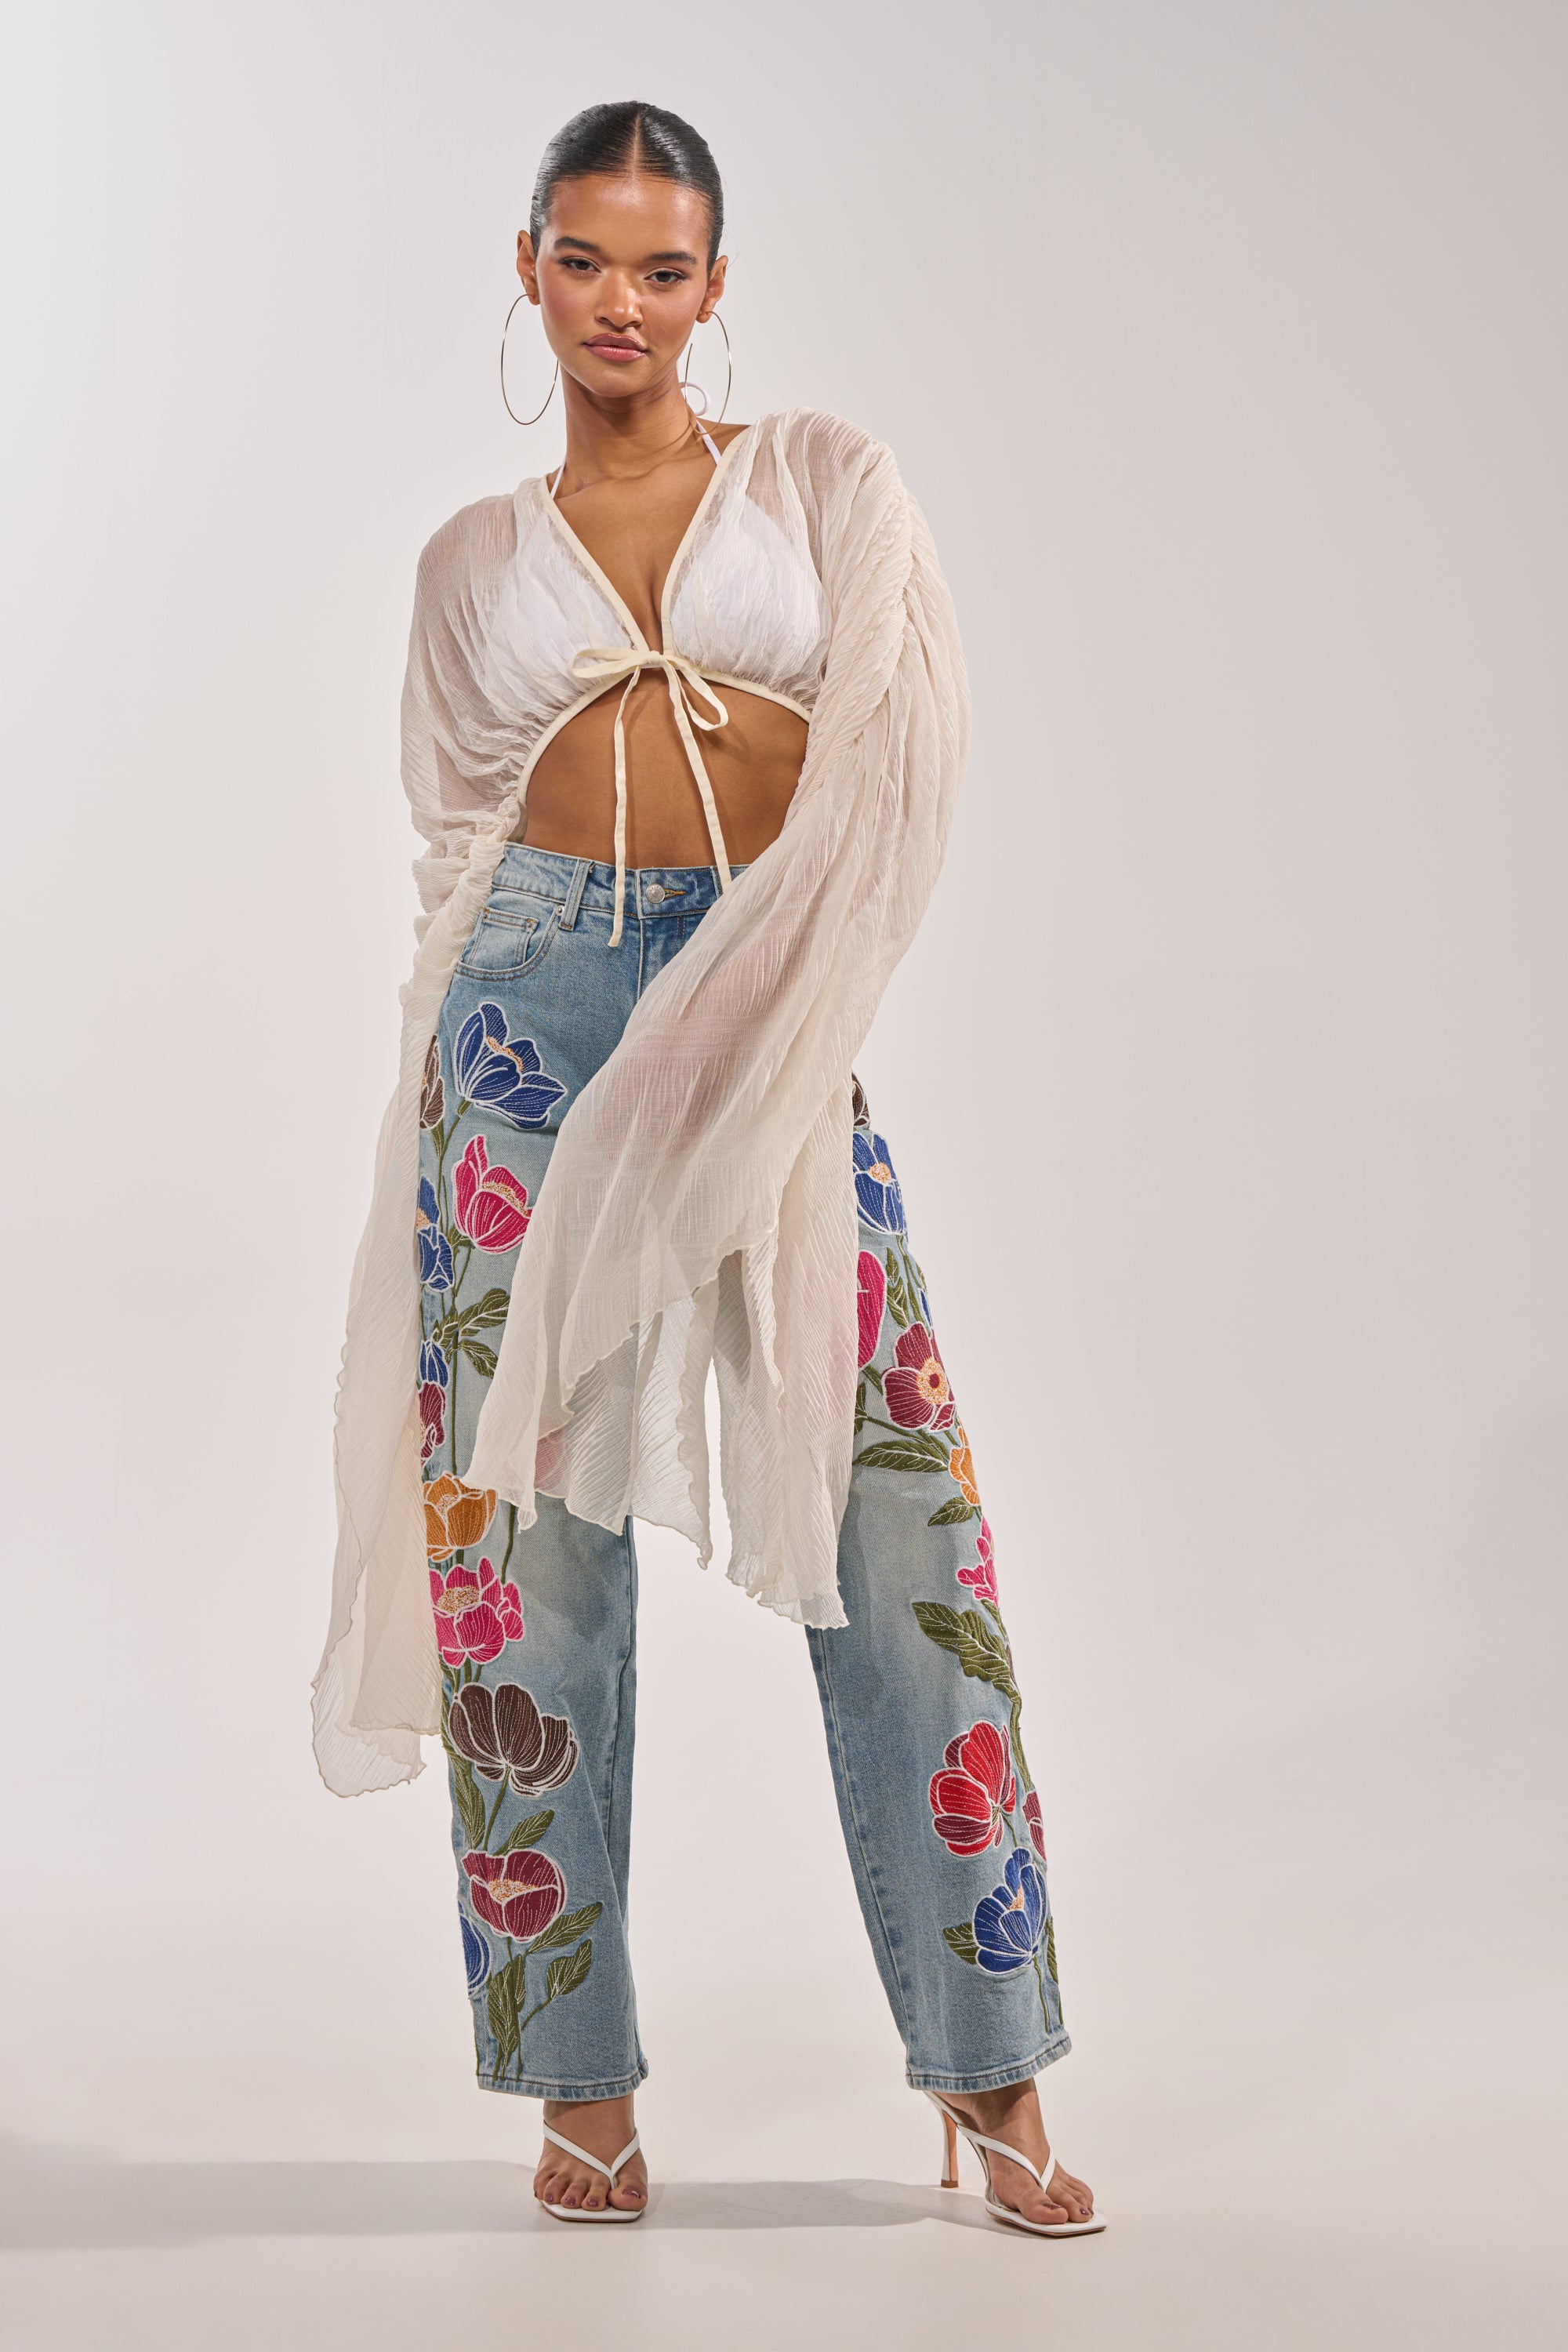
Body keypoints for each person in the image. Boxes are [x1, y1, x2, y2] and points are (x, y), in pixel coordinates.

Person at [314, 99, 1102, 2238]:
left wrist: (771, 990)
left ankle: (990, 2059)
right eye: (584, 261)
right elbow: (453, 832)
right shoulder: (471, 562)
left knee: (902, 1530)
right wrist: (465, 1069)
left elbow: (904, 756)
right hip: (525, 1014)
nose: (622, 305)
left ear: (715, 287)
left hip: (759, 1001)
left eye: (663, 270)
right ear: (530, 268)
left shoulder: (822, 482)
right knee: (524, 1556)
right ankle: (575, 2077)